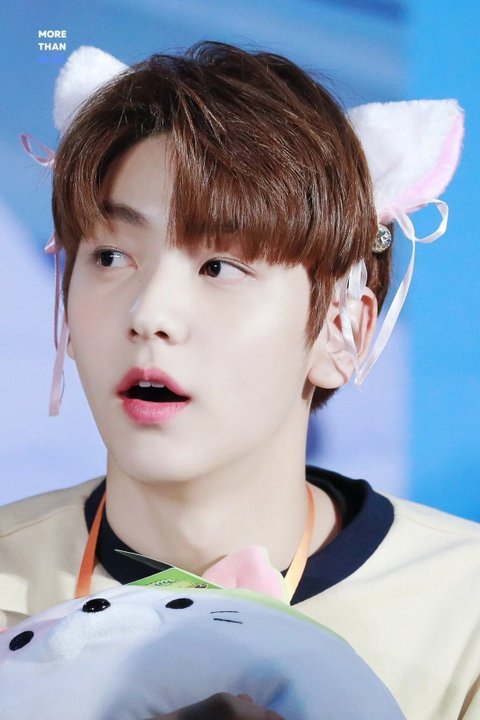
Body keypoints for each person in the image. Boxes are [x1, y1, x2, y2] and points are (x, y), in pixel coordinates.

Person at [1, 42, 479, 720]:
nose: (150, 314)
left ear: (343, 330)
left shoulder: (465, 614)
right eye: (110, 256)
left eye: (219, 267)